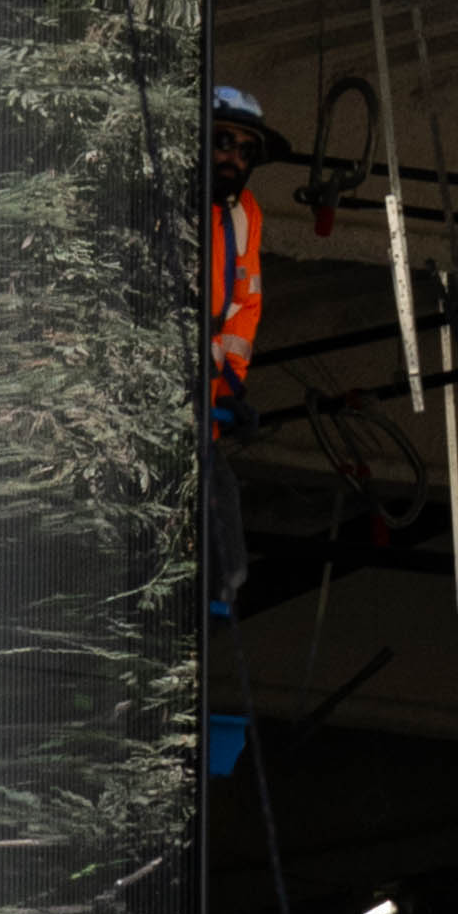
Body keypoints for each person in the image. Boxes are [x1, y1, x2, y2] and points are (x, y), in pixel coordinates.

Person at [203, 88, 270, 613]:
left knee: (231, 557)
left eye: (246, 151)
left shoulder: (245, 214)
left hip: (203, 409)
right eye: (224, 142)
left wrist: (231, 389)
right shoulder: (169, 196)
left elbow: (241, 314)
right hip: (156, 400)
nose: (234, 158)